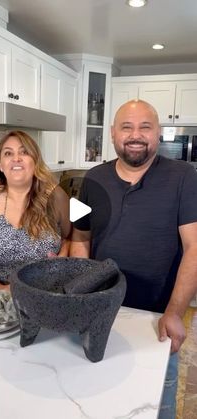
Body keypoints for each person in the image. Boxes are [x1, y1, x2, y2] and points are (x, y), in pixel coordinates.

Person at [70, 99, 197, 419]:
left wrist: (175, 312)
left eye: (145, 126)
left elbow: (194, 247)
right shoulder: (89, 179)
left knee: (157, 401)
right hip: (102, 310)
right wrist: (81, 300)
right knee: (100, 393)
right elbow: (79, 239)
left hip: (157, 317)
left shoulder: (185, 176)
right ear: (113, 133)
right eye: (127, 127)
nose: (135, 134)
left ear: (158, 133)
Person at [0, 130, 71, 291]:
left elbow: (69, 238)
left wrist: (61, 258)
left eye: (24, 152)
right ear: (0, 164)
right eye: (8, 153)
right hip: (0, 293)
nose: (16, 158)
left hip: (49, 291)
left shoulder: (56, 197)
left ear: (35, 161)